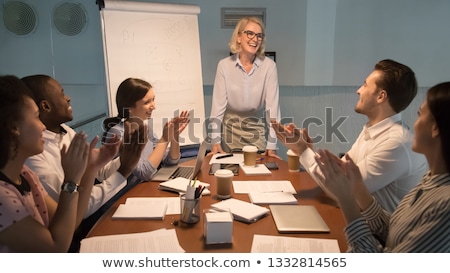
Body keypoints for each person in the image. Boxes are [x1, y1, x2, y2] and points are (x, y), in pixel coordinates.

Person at [272, 59, 428, 213]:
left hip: (378, 235)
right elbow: (341, 172)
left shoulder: (396, 143)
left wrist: (303, 150)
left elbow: (342, 191)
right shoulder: (374, 129)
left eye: (365, 84)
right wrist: (306, 149)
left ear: (381, 96)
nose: (359, 90)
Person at [312, 81, 450, 252]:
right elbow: (392, 232)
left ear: (435, 128)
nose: (414, 124)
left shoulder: (445, 206)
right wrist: (359, 189)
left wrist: (346, 198)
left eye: (420, 115)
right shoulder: (430, 180)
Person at [0, 75, 117, 252]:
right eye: (36, 117)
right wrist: (71, 179)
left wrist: (91, 169)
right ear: (14, 128)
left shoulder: (25, 174)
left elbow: (71, 222)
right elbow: (56, 248)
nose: (42, 126)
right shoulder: (3, 195)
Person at [22, 75, 145, 218]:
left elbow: (100, 173)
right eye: (62, 93)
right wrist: (124, 170)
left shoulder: (65, 131)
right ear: (45, 106)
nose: (68, 98)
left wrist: (125, 158)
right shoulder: (33, 155)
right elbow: (76, 211)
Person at [208, 16, 281, 158]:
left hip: (256, 131)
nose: (255, 39)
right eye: (250, 33)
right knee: (233, 174)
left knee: (258, 174)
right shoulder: (224, 65)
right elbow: (217, 108)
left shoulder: (269, 66)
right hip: (230, 131)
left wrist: (272, 145)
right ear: (239, 37)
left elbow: (273, 110)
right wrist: (215, 141)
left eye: (259, 36)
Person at [103, 78, 190, 181]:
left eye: (153, 100)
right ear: (130, 107)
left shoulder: (145, 128)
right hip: (127, 192)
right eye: (147, 102)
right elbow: (144, 173)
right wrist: (164, 139)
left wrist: (174, 136)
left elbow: (171, 160)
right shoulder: (117, 133)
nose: (154, 106)